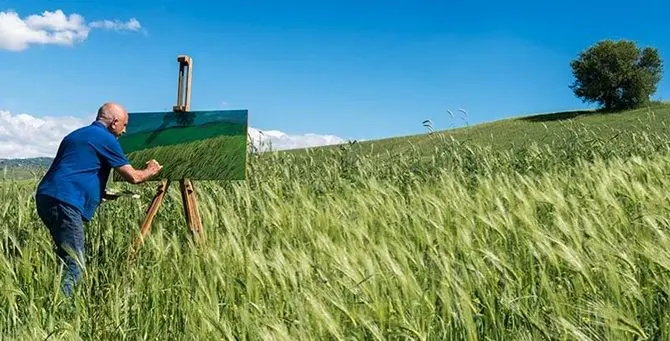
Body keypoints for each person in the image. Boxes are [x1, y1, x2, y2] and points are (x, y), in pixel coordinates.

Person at [35, 102, 163, 296]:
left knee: (65, 257)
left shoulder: (75, 135)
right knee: (75, 262)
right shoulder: (106, 138)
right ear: (114, 122)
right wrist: (151, 170)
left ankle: (54, 298)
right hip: (66, 202)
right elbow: (134, 177)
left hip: (47, 198)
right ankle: (62, 310)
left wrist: (98, 194)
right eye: (124, 125)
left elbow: (76, 170)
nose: (125, 130)